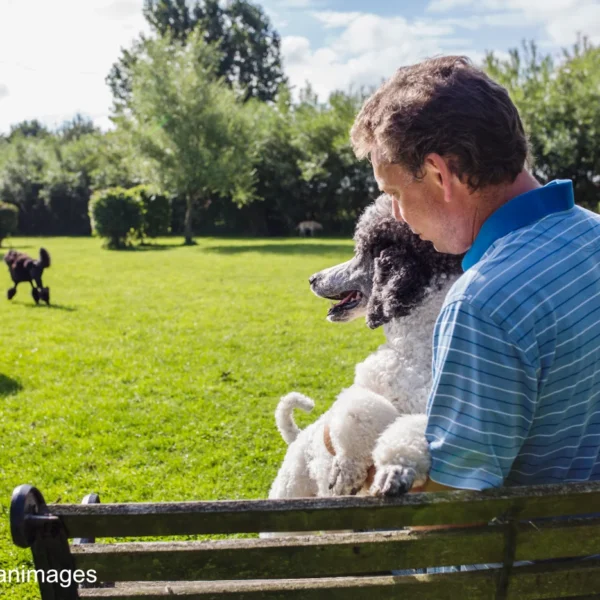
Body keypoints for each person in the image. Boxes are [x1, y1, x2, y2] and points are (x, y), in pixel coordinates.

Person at [350, 55, 600, 497]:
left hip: (531, 561)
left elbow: (453, 514)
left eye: (393, 193)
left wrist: (359, 474)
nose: (397, 214)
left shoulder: (484, 303)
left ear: (438, 174)